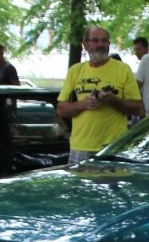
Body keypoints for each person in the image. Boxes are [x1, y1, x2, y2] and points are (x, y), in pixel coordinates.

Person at [57, 26, 143, 165]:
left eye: (104, 41)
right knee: (80, 187)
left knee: (111, 186)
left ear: (109, 44)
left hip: (112, 147)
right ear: (85, 44)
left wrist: (112, 99)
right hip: (81, 146)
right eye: (95, 40)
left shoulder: (123, 69)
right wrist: (83, 104)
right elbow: (61, 109)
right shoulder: (75, 71)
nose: (100, 45)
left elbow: (137, 109)